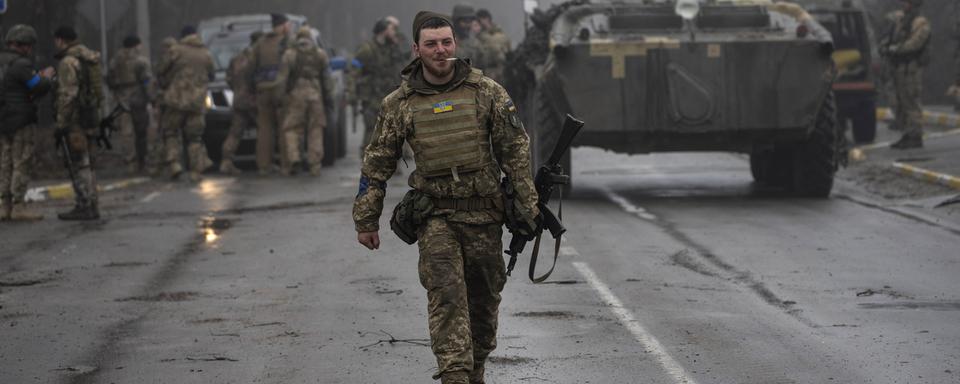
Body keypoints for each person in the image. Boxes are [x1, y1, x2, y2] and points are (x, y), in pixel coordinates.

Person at [353, 11, 539, 384]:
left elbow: (515, 150)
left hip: (484, 216)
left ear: (455, 44)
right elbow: (376, 163)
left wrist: (528, 205)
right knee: (447, 298)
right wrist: (366, 219)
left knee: (484, 304)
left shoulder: (485, 91)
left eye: (446, 42)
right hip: (435, 217)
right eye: (432, 44)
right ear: (416, 49)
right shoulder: (400, 103)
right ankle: (455, 374)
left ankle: (476, 368)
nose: (441, 51)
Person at [0, 25, 54, 221]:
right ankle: (18, 205)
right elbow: (37, 87)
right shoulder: (22, 65)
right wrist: (47, 77)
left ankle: (4, 205)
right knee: (21, 161)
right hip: (21, 120)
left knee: (5, 163)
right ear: (25, 46)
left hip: (3, 120)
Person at [53, 26, 105, 220]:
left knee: (79, 163)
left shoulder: (68, 61)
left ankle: (84, 205)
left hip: (76, 119)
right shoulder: (89, 58)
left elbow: (68, 95)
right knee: (89, 163)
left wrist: (61, 123)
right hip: (91, 115)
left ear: (60, 40)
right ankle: (92, 204)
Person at [154, 26, 215, 181]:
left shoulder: (176, 50)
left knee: (171, 132)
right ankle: (196, 170)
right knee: (195, 137)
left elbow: (160, 69)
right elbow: (212, 75)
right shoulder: (206, 53)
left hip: (176, 100)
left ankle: (175, 164)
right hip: (197, 102)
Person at [278, 27, 333, 176]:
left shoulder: (289, 55)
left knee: (292, 128)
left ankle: (294, 158)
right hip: (315, 95)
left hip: (296, 95)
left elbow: (282, 79)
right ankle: (314, 164)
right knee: (315, 130)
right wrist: (329, 97)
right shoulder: (320, 54)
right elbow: (327, 79)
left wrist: (281, 97)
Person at [881, 0, 931, 149]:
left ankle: (915, 136)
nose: (904, 5)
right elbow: (890, 37)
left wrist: (895, 49)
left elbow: (915, 43)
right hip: (898, 67)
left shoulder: (921, 23)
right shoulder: (901, 21)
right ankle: (907, 133)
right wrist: (885, 47)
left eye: (908, 3)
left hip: (911, 68)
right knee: (899, 102)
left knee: (911, 102)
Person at [353, 18, 404, 152]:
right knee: (372, 129)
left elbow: (402, 66)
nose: (394, 33)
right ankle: (368, 163)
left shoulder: (392, 48)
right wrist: (352, 94)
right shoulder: (367, 49)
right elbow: (354, 71)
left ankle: (390, 163)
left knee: (392, 129)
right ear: (383, 31)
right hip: (371, 97)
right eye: (392, 30)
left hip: (389, 95)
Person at [250, 13, 292, 175]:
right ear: (282, 26)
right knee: (284, 127)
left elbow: (250, 67)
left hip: (263, 90)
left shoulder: (260, 44)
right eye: (287, 25)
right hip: (281, 91)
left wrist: (252, 88)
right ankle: (286, 165)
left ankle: (263, 166)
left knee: (264, 129)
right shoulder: (288, 43)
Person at [108, 35, 153, 173]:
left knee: (126, 133)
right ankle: (142, 163)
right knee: (141, 132)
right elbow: (146, 81)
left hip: (122, 101)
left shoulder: (115, 61)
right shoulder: (141, 61)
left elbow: (109, 80)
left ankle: (130, 163)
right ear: (135, 45)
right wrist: (151, 98)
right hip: (138, 99)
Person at [219, 30, 263, 175]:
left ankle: (226, 162)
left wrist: (238, 90)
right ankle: (264, 162)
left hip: (239, 99)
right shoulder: (258, 57)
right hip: (255, 100)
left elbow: (228, 78)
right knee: (264, 131)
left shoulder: (237, 58)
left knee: (235, 133)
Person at [475, 9, 511, 84]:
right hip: (488, 72)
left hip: (497, 72)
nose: (479, 23)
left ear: (486, 19)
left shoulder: (498, 35)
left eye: (479, 20)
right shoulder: (480, 35)